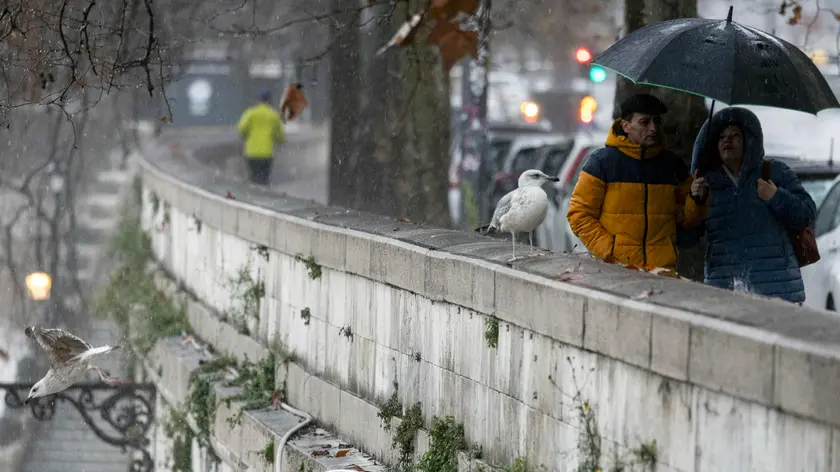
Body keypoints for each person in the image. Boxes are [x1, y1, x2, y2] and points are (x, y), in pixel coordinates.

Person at [682, 106, 816, 304]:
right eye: (721, 137)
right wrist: (695, 201)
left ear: (748, 141)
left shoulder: (775, 171)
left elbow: (807, 215)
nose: (727, 140)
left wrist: (776, 197)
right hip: (724, 293)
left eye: (735, 135)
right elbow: (687, 239)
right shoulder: (704, 184)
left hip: (779, 292)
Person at [566, 93, 697, 271]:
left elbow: (688, 220)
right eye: (644, 122)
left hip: (662, 272)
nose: (653, 128)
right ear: (626, 126)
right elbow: (579, 215)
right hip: (617, 272)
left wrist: (697, 199)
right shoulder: (603, 163)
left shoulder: (672, 165)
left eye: (657, 121)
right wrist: (610, 251)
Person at [237, 88, 285, 186]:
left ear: (258, 100)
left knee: (253, 176)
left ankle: (253, 192)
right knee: (264, 178)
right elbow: (280, 135)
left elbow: (242, 128)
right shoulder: (274, 115)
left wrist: (245, 136)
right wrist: (279, 141)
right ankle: (262, 192)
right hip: (267, 153)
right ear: (270, 101)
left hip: (251, 152)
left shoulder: (250, 113)